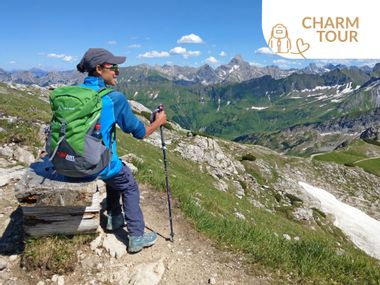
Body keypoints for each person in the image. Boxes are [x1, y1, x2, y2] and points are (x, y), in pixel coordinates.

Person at [76, 48, 167, 253]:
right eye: (114, 67)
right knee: (128, 184)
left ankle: (114, 219)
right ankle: (136, 236)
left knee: (116, 170)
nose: (117, 72)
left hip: (68, 160)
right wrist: (158, 122)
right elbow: (140, 133)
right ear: (99, 69)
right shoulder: (113, 99)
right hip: (93, 163)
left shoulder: (77, 93)